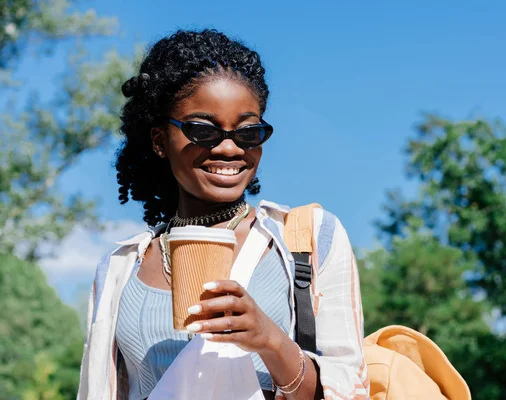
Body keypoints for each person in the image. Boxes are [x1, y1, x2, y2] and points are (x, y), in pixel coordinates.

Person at [77, 29, 368, 400]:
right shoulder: (120, 268)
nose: (229, 148)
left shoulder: (308, 238)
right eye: (203, 130)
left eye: (248, 132)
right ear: (159, 141)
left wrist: (270, 340)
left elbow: (352, 389)